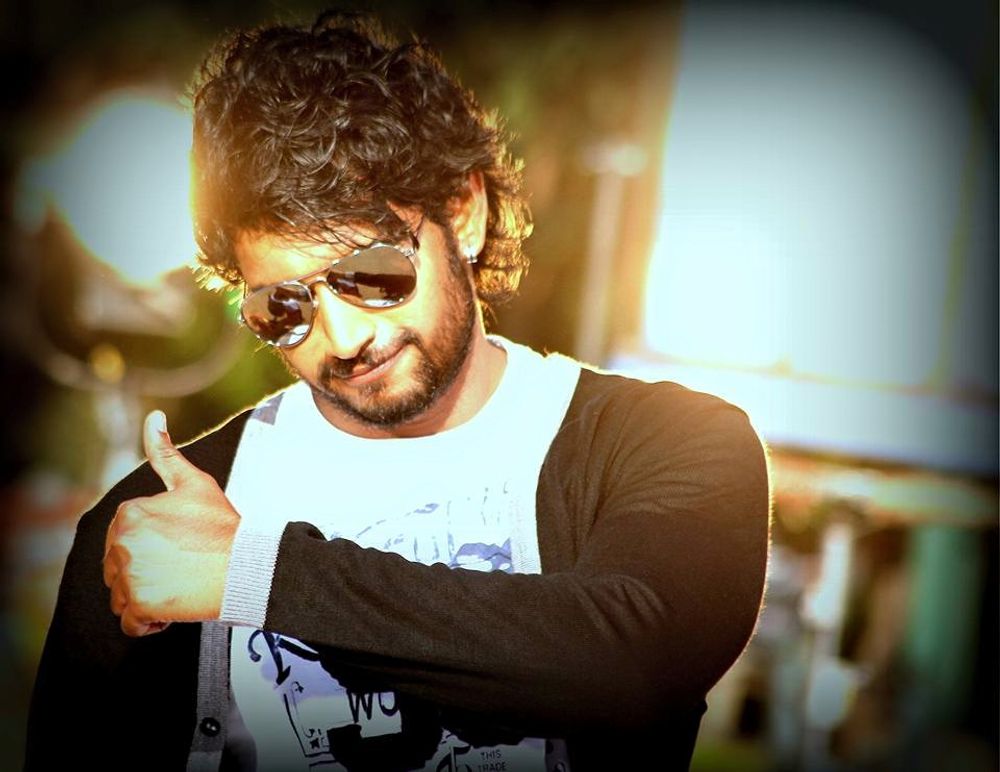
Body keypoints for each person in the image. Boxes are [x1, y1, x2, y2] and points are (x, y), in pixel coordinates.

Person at [25, 11, 770, 772]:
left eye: (372, 274)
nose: (344, 337)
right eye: (284, 306)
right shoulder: (156, 529)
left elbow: (628, 667)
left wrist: (249, 575)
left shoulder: (667, 442)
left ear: (465, 215)